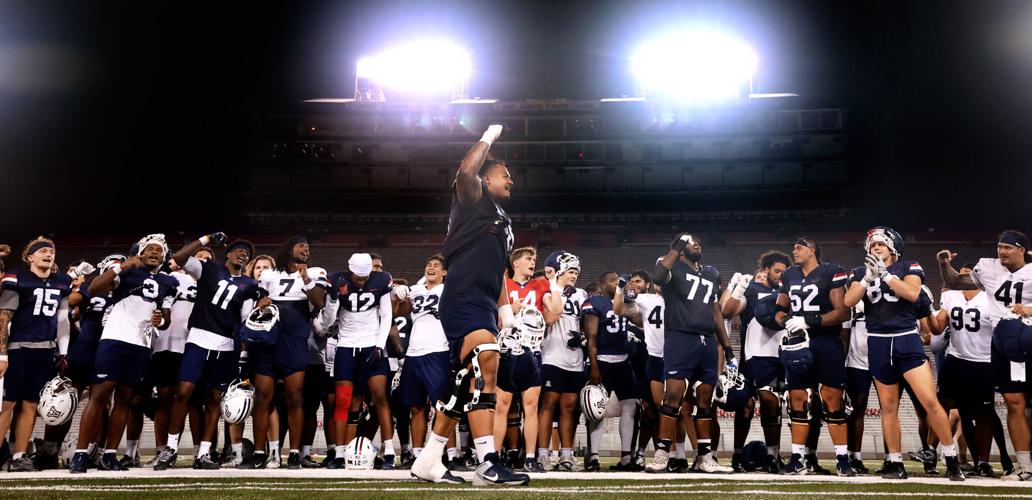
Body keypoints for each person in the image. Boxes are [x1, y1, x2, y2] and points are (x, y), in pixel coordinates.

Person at [410, 124, 529, 486]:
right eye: (505, 176)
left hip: (483, 301)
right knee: (485, 361)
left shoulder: (503, 221)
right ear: (486, 178)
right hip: (461, 297)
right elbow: (464, 172)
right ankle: (487, 461)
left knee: (464, 382)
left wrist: (505, 312)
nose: (511, 182)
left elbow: (499, 273)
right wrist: (488, 139)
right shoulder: (472, 198)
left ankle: (429, 460)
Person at [843, 227, 962, 480]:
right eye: (872, 244)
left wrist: (884, 274)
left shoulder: (909, 266)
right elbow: (848, 301)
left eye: (881, 245)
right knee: (888, 407)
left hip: (906, 340)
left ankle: (951, 458)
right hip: (877, 342)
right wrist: (866, 278)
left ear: (893, 247)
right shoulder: (859, 271)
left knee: (930, 402)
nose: (876, 248)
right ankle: (895, 462)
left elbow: (911, 293)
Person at [155, 234, 267, 470]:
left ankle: (204, 453)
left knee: (214, 398)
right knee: (183, 391)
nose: (242, 253)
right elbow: (179, 257)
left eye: (246, 253)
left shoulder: (250, 286)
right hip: (199, 336)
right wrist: (205, 239)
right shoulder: (209, 268)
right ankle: (171, 448)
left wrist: (263, 303)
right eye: (238, 249)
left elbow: (247, 319)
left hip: (226, 344)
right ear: (227, 253)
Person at [70, 234, 178, 473]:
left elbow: (166, 320)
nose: (153, 252)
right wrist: (121, 267)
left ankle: (110, 454)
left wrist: (161, 321)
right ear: (139, 252)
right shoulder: (128, 272)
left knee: (126, 399)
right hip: (115, 338)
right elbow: (94, 289)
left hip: (141, 344)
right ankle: (80, 453)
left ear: (164, 255)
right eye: (148, 249)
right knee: (99, 394)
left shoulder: (170, 282)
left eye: (158, 250)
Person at [938, 230, 1032, 480]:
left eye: (1007, 247)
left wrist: (1029, 309)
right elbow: (958, 282)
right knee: (1014, 403)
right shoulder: (988, 267)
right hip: (1004, 343)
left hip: (1029, 337)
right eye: (999, 247)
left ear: (1021, 249)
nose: (1001, 251)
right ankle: (1025, 468)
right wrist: (944, 264)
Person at [647, 233, 735, 474]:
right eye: (690, 241)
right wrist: (676, 247)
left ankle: (705, 457)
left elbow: (716, 311)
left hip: (706, 340)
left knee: (705, 398)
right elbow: (656, 276)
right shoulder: (671, 266)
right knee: (673, 394)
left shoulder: (711, 273)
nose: (697, 243)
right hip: (680, 336)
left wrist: (727, 348)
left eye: (698, 240)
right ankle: (662, 452)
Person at [771, 237, 853, 476]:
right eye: (793, 246)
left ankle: (842, 459)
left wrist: (809, 321)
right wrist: (786, 321)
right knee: (797, 399)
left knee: (833, 400)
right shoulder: (788, 276)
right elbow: (779, 310)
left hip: (826, 341)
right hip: (798, 341)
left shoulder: (832, 271)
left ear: (812, 250)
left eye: (799, 247)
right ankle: (798, 458)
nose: (794, 250)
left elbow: (842, 311)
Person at [247, 237, 327, 469]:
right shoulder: (269, 275)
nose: (306, 248)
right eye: (301, 245)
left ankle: (294, 452)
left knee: (295, 398)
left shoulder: (313, 272)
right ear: (288, 248)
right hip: (270, 337)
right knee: (263, 397)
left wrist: (306, 279)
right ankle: (260, 452)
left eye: (308, 246)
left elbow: (320, 303)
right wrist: (261, 302)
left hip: (294, 338)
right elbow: (258, 302)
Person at [0, 237, 73, 471]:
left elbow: (63, 320)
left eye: (51, 251)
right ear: (29, 257)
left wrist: (63, 353)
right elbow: (3, 319)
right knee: (6, 405)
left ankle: (19, 455)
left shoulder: (62, 282)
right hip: (18, 348)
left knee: (30, 404)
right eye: (42, 251)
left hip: (44, 351)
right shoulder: (18, 279)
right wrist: (2, 355)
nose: (49, 254)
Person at [721, 251, 792, 474]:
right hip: (752, 356)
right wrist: (739, 288)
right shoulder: (753, 290)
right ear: (766, 271)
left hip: (781, 356)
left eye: (784, 272)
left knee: (772, 405)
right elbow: (728, 311)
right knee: (745, 408)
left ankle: (772, 456)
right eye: (777, 271)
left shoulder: (790, 293)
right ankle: (738, 455)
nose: (780, 275)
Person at [323, 253, 395, 469]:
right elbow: (328, 321)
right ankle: (339, 452)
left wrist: (380, 346)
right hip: (346, 345)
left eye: (365, 277)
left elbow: (386, 315)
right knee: (343, 401)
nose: (362, 281)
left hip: (371, 344)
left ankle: (390, 451)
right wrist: (333, 299)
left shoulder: (382, 280)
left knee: (380, 397)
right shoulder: (338, 279)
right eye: (358, 277)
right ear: (350, 270)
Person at [929, 264, 996, 477]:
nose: (966, 275)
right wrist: (927, 314)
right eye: (962, 273)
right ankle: (930, 450)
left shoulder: (991, 298)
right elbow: (938, 328)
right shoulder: (951, 297)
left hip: (984, 362)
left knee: (984, 414)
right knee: (942, 407)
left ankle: (983, 462)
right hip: (955, 359)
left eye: (970, 273)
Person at [394, 255, 452, 470]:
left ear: (445, 272)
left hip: (439, 351)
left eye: (437, 265)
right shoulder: (416, 290)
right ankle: (417, 455)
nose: (431, 267)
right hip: (414, 353)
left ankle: (447, 455)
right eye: (429, 264)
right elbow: (398, 312)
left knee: (443, 408)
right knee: (416, 407)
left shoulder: (449, 290)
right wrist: (396, 296)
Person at [497, 246, 551, 473]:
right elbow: (497, 323)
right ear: (515, 262)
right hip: (507, 350)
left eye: (534, 259)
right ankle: (493, 455)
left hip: (532, 350)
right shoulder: (504, 286)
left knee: (531, 406)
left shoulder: (540, 285)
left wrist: (555, 283)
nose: (532, 262)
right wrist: (510, 311)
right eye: (529, 258)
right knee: (502, 405)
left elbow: (554, 314)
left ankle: (530, 457)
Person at [583, 271, 640, 472]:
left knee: (630, 407)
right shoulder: (595, 302)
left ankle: (626, 457)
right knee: (596, 409)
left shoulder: (624, 300)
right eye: (612, 280)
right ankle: (594, 458)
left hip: (623, 361)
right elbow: (591, 337)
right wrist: (595, 366)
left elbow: (640, 322)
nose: (617, 283)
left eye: (618, 280)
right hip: (603, 361)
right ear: (602, 284)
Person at [536, 251, 584, 472]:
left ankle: (567, 454)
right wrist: (554, 287)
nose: (574, 275)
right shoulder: (546, 291)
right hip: (552, 355)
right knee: (548, 405)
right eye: (570, 271)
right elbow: (550, 317)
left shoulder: (581, 294)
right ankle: (543, 454)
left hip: (574, 359)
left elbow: (587, 324)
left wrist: (582, 336)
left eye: (576, 271)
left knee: (570, 407)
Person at [615, 269, 663, 471]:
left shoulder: (658, 302)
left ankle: (669, 452)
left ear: (648, 284)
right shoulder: (636, 305)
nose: (633, 284)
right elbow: (624, 310)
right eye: (631, 281)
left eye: (638, 281)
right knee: (649, 412)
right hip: (643, 365)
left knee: (664, 410)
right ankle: (641, 453)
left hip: (663, 358)